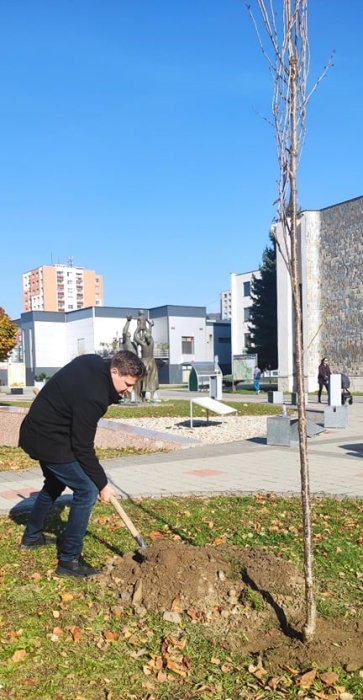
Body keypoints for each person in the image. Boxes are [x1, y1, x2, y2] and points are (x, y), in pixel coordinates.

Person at [18, 350, 146, 579]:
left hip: (41, 429)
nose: (129, 390)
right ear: (114, 370)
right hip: (49, 438)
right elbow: (83, 447)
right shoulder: (94, 396)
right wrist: (102, 484)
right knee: (86, 491)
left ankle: (32, 536)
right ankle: (69, 560)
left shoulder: (93, 360)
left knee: (55, 483)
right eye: (126, 384)